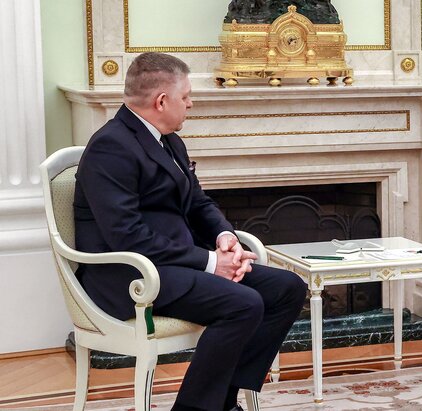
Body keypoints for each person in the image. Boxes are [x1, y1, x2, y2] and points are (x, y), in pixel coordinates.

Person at [74, 52, 307, 411]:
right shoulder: (111, 147)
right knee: (243, 304)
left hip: (176, 263)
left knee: (287, 288)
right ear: (161, 101)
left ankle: (223, 401)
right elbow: (127, 236)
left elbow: (197, 202)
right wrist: (212, 263)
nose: (190, 104)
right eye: (185, 97)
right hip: (130, 275)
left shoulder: (168, 140)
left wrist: (225, 237)